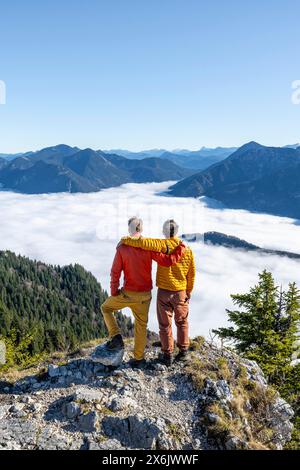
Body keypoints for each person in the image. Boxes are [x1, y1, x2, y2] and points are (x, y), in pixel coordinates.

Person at [101, 217, 186, 369]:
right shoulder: (148, 247)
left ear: (130, 229)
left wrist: (114, 291)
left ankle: (116, 337)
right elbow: (167, 261)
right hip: (145, 295)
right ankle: (138, 359)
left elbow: (115, 272)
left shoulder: (122, 248)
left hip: (127, 293)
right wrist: (180, 249)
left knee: (106, 308)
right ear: (141, 229)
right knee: (141, 324)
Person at [120, 219, 196, 366]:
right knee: (182, 322)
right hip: (180, 291)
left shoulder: (161, 245)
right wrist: (188, 292)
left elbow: (141, 242)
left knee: (164, 324)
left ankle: (167, 355)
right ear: (177, 231)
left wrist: (124, 239)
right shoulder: (187, 249)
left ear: (164, 231)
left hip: (164, 293)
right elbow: (191, 274)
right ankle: (183, 352)